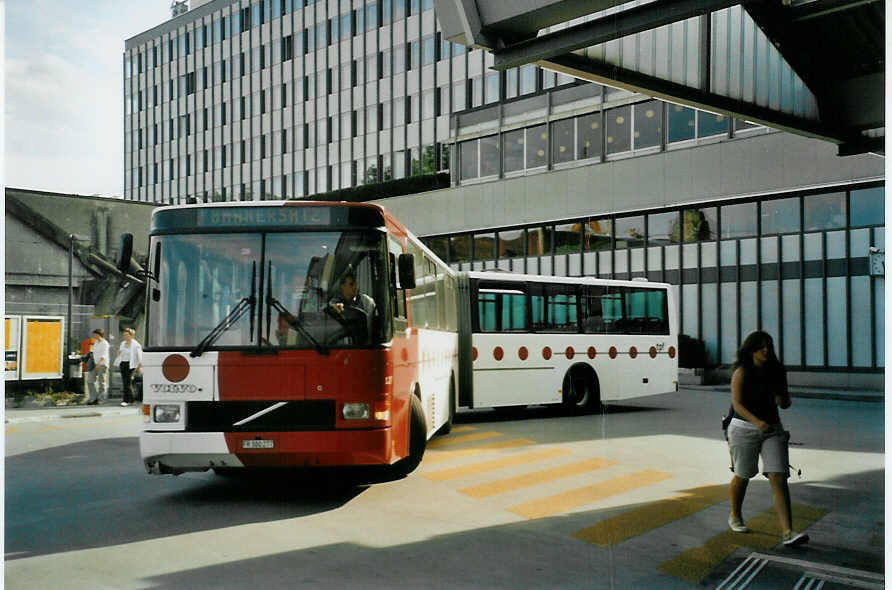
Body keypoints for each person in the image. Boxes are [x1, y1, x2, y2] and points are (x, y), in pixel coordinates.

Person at [726, 330, 809, 546]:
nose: (766, 350)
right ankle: (735, 515)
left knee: (779, 477)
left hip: (772, 429)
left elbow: (786, 403)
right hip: (744, 428)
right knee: (743, 475)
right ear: (751, 349)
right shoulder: (742, 372)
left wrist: (782, 398)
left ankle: (788, 532)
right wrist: (756, 422)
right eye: (761, 347)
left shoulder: (777, 371)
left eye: (768, 346)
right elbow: (737, 405)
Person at [328, 269, 376, 343]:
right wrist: (335, 309)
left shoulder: (367, 302)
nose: (355, 287)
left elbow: (370, 328)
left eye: (355, 283)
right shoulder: (335, 302)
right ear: (342, 286)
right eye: (351, 284)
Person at [114, 328, 143, 407]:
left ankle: (126, 400)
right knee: (125, 382)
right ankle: (131, 399)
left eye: (127, 335)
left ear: (132, 335)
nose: (125, 336)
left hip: (131, 365)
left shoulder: (136, 345)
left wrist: (140, 367)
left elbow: (140, 357)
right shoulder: (123, 343)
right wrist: (118, 353)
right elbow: (119, 352)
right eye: (124, 335)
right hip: (123, 363)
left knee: (127, 382)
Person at [84, 329, 110, 405]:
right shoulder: (96, 343)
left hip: (102, 364)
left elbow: (104, 355)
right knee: (90, 381)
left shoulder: (105, 343)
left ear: (99, 335)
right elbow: (92, 352)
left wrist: (99, 364)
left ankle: (102, 399)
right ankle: (93, 397)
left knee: (101, 382)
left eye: (95, 334)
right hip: (94, 364)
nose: (94, 336)